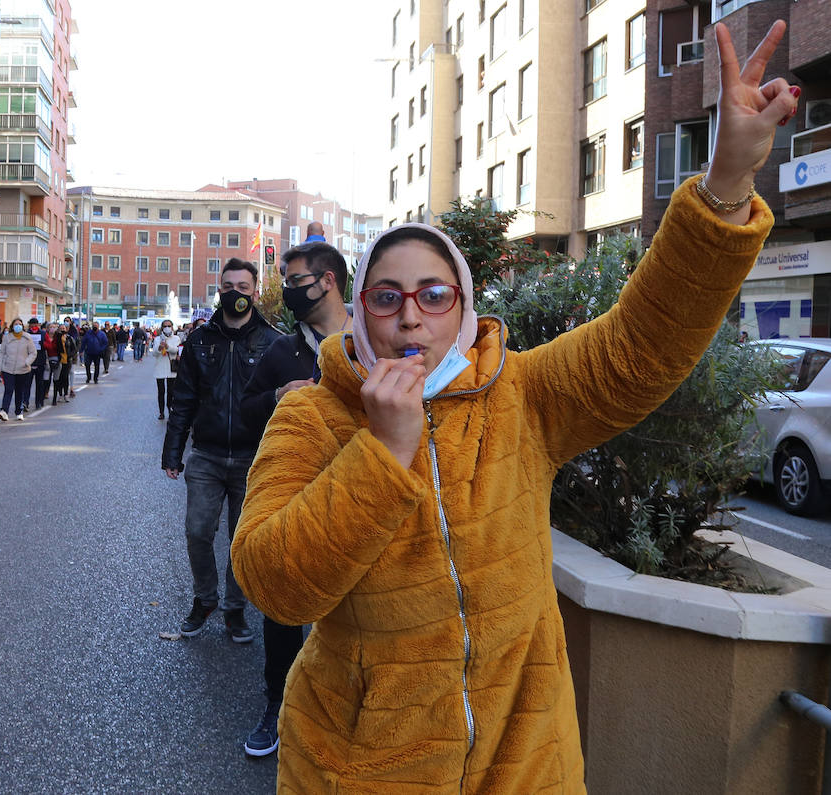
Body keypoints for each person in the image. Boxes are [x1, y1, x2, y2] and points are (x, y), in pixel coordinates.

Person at [228, 21, 795, 791]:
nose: (409, 315)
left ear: (462, 312)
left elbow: (642, 344)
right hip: (360, 770)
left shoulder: (520, 393)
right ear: (358, 313)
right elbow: (273, 582)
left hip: (526, 762)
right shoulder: (312, 417)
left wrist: (725, 183)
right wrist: (382, 453)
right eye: (386, 296)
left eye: (434, 294)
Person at [234, 241, 352, 757]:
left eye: (296, 278)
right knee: (284, 605)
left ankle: (347, 711)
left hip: (357, 491)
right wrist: (278, 398)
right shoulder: (283, 350)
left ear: (328, 281)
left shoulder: (371, 341)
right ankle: (277, 706)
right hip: (294, 493)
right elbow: (245, 410)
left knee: (354, 610)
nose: (288, 289)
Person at [163, 258, 280, 642]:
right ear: (220, 289)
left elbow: (286, 406)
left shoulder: (273, 341)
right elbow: (183, 400)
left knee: (241, 540)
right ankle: (205, 599)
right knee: (198, 532)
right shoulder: (200, 341)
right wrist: (173, 452)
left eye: (243, 288)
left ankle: (234, 608)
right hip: (207, 456)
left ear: (254, 291)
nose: (235, 295)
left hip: (253, 458)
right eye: (228, 287)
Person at [0, 317, 36, 421]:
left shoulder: (27, 338)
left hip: (23, 369)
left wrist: (27, 362)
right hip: (8, 368)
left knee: (19, 391)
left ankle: (19, 411)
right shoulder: (7, 337)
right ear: (12, 326)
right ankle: (4, 411)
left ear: (22, 326)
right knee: (8, 389)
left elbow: (33, 353)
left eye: (19, 324)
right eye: (15, 324)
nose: (17, 326)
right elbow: (1, 352)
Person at [152, 319, 181, 420]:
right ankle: (161, 412)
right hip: (160, 367)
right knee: (161, 392)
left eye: (169, 326)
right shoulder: (157, 339)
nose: (167, 328)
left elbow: (177, 350)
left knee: (171, 391)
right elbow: (154, 353)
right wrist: (159, 348)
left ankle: (170, 409)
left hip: (172, 368)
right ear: (162, 328)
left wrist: (168, 347)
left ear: (172, 327)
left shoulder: (176, 338)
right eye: (165, 326)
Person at [35, 321, 60, 410]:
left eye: (54, 327)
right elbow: (43, 347)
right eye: (50, 327)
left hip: (56, 359)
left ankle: (54, 399)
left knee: (56, 380)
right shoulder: (44, 337)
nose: (52, 329)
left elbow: (60, 349)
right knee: (45, 380)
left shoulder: (58, 337)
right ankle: (42, 398)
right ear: (47, 328)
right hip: (46, 360)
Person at [54, 323, 78, 404]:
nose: (62, 329)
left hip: (67, 360)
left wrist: (69, 356)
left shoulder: (69, 338)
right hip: (59, 360)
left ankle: (66, 394)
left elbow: (74, 349)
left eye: (64, 328)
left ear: (66, 329)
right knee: (59, 378)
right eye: (61, 328)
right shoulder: (56, 338)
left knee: (65, 377)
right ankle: (60, 394)